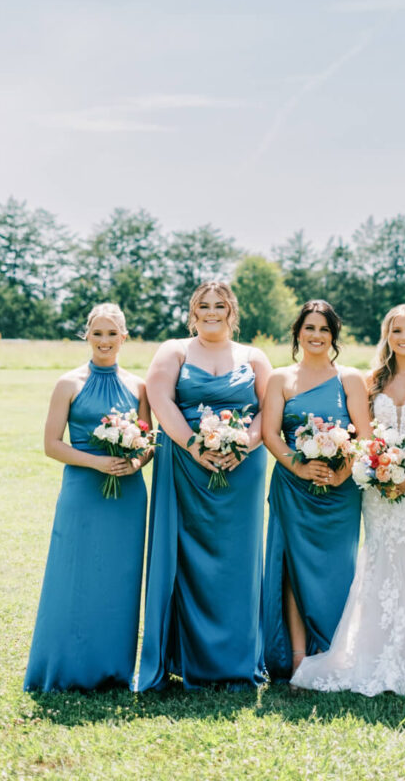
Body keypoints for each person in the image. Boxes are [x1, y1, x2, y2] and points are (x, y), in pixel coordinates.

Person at [292, 304, 405, 695]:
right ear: (387, 335)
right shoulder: (371, 379)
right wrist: (374, 471)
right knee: (379, 554)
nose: (404, 337)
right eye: (397, 331)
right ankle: (374, 653)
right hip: (376, 484)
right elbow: (362, 433)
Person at [136, 281, 271, 690]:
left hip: (242, 468)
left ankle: (237, 658)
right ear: (193, 312)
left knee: (238, 561)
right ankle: (184, 656)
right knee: (186, 557)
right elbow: (161, 400)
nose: (212, 312)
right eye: (204, 306)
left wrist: (244, 445)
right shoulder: (174, 350)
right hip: (185, 462)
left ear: (233, 310)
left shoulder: (254, 356)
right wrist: (195, 445)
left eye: (220, 305)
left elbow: (271, 408)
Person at [25, 303, 152, 691]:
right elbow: (50, 444)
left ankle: (113, 670)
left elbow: (149, 441)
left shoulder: (139, 386)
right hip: (82, 491)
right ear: (86, 336)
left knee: (120, 578)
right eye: (97, 333)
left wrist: (136, 461)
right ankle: (66, 667)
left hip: (127, 495)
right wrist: (95, 463)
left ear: (125, 337)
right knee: (75, 575)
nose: (104, 341)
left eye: (112, 333)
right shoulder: (68, 384)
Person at [262, 300, 371, 681]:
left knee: (338, 568)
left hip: (339, 491)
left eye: (324, 329)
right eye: (309, 328)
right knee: (294, 569)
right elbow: (270, 434)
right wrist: (299, 464)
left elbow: (365, 436)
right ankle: (297, 658)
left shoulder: (350, 379)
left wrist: (342, 476)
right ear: (297, 333)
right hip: (293, 487)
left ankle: (334, 651)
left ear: (333, 336)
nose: (316, 335)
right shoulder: (281, 379)